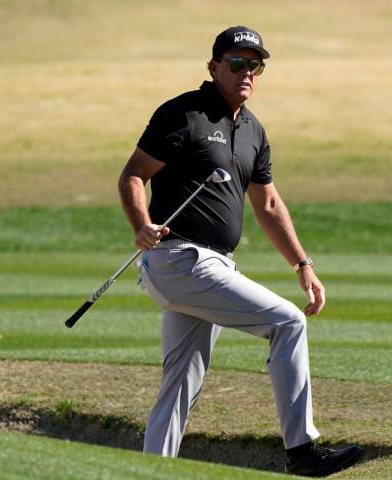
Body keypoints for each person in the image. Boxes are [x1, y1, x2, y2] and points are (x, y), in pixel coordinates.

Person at [117, 26, 364, 476]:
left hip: (211, 267)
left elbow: (267, 203)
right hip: (180, 260)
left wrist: (302, 264)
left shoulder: (252, 129)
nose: (246, 72)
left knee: (181, 380)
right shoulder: (184, 113)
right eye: (236, 63)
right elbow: (133, 175)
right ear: (213, 67)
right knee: (287, 322)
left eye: (255, 65)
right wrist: (141, 225)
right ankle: (302, 452)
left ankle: (152, 471)